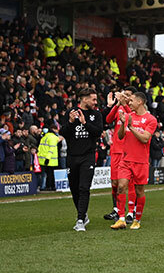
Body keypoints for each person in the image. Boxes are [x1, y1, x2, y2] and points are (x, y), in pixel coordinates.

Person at [109, 92, 157, 230]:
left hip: (141, 161)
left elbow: (145, 138)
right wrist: (124, 124)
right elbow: (120, 136)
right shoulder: (129, 116)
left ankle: (137, 220)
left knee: (139, 191)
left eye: (132, 101)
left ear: (140, 102)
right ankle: (121, 219)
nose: (129, 103)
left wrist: (130, 126)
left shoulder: (150, 119)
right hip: (126, 159)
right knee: (121, 186)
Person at [60, 88, 103, 231]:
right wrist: (71, 122)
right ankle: (83, 215)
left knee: (84, 188)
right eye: (93, 99)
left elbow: (98, 132)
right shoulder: (70, 112)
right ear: (84, 99)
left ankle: (79, 220)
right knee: (74, 189)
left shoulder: (96, 114)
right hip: (72, 156)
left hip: (88, 156)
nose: (95, 102)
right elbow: (63, 133)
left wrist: (85, 123)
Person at [103, 86, 136, 222]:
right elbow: (108, 120)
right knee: (115, 182)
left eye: (128, 95)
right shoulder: (120, 108)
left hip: (129, 151)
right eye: (123, 94)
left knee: (130, 183)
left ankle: (131, 212)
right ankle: (116, 210)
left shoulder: (134, 110)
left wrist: (125, 106)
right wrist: (117, 105)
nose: (125, 97)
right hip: (116, 150)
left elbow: (132, 121)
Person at [38, 123, 60, 191]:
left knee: (49, 174)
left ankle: (50, 186)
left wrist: (47, 158)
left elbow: (51, 149)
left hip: (49, 159)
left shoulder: (50, 137)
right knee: (48, 174)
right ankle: (49, 186)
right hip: (45, 159)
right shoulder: (45, 136)